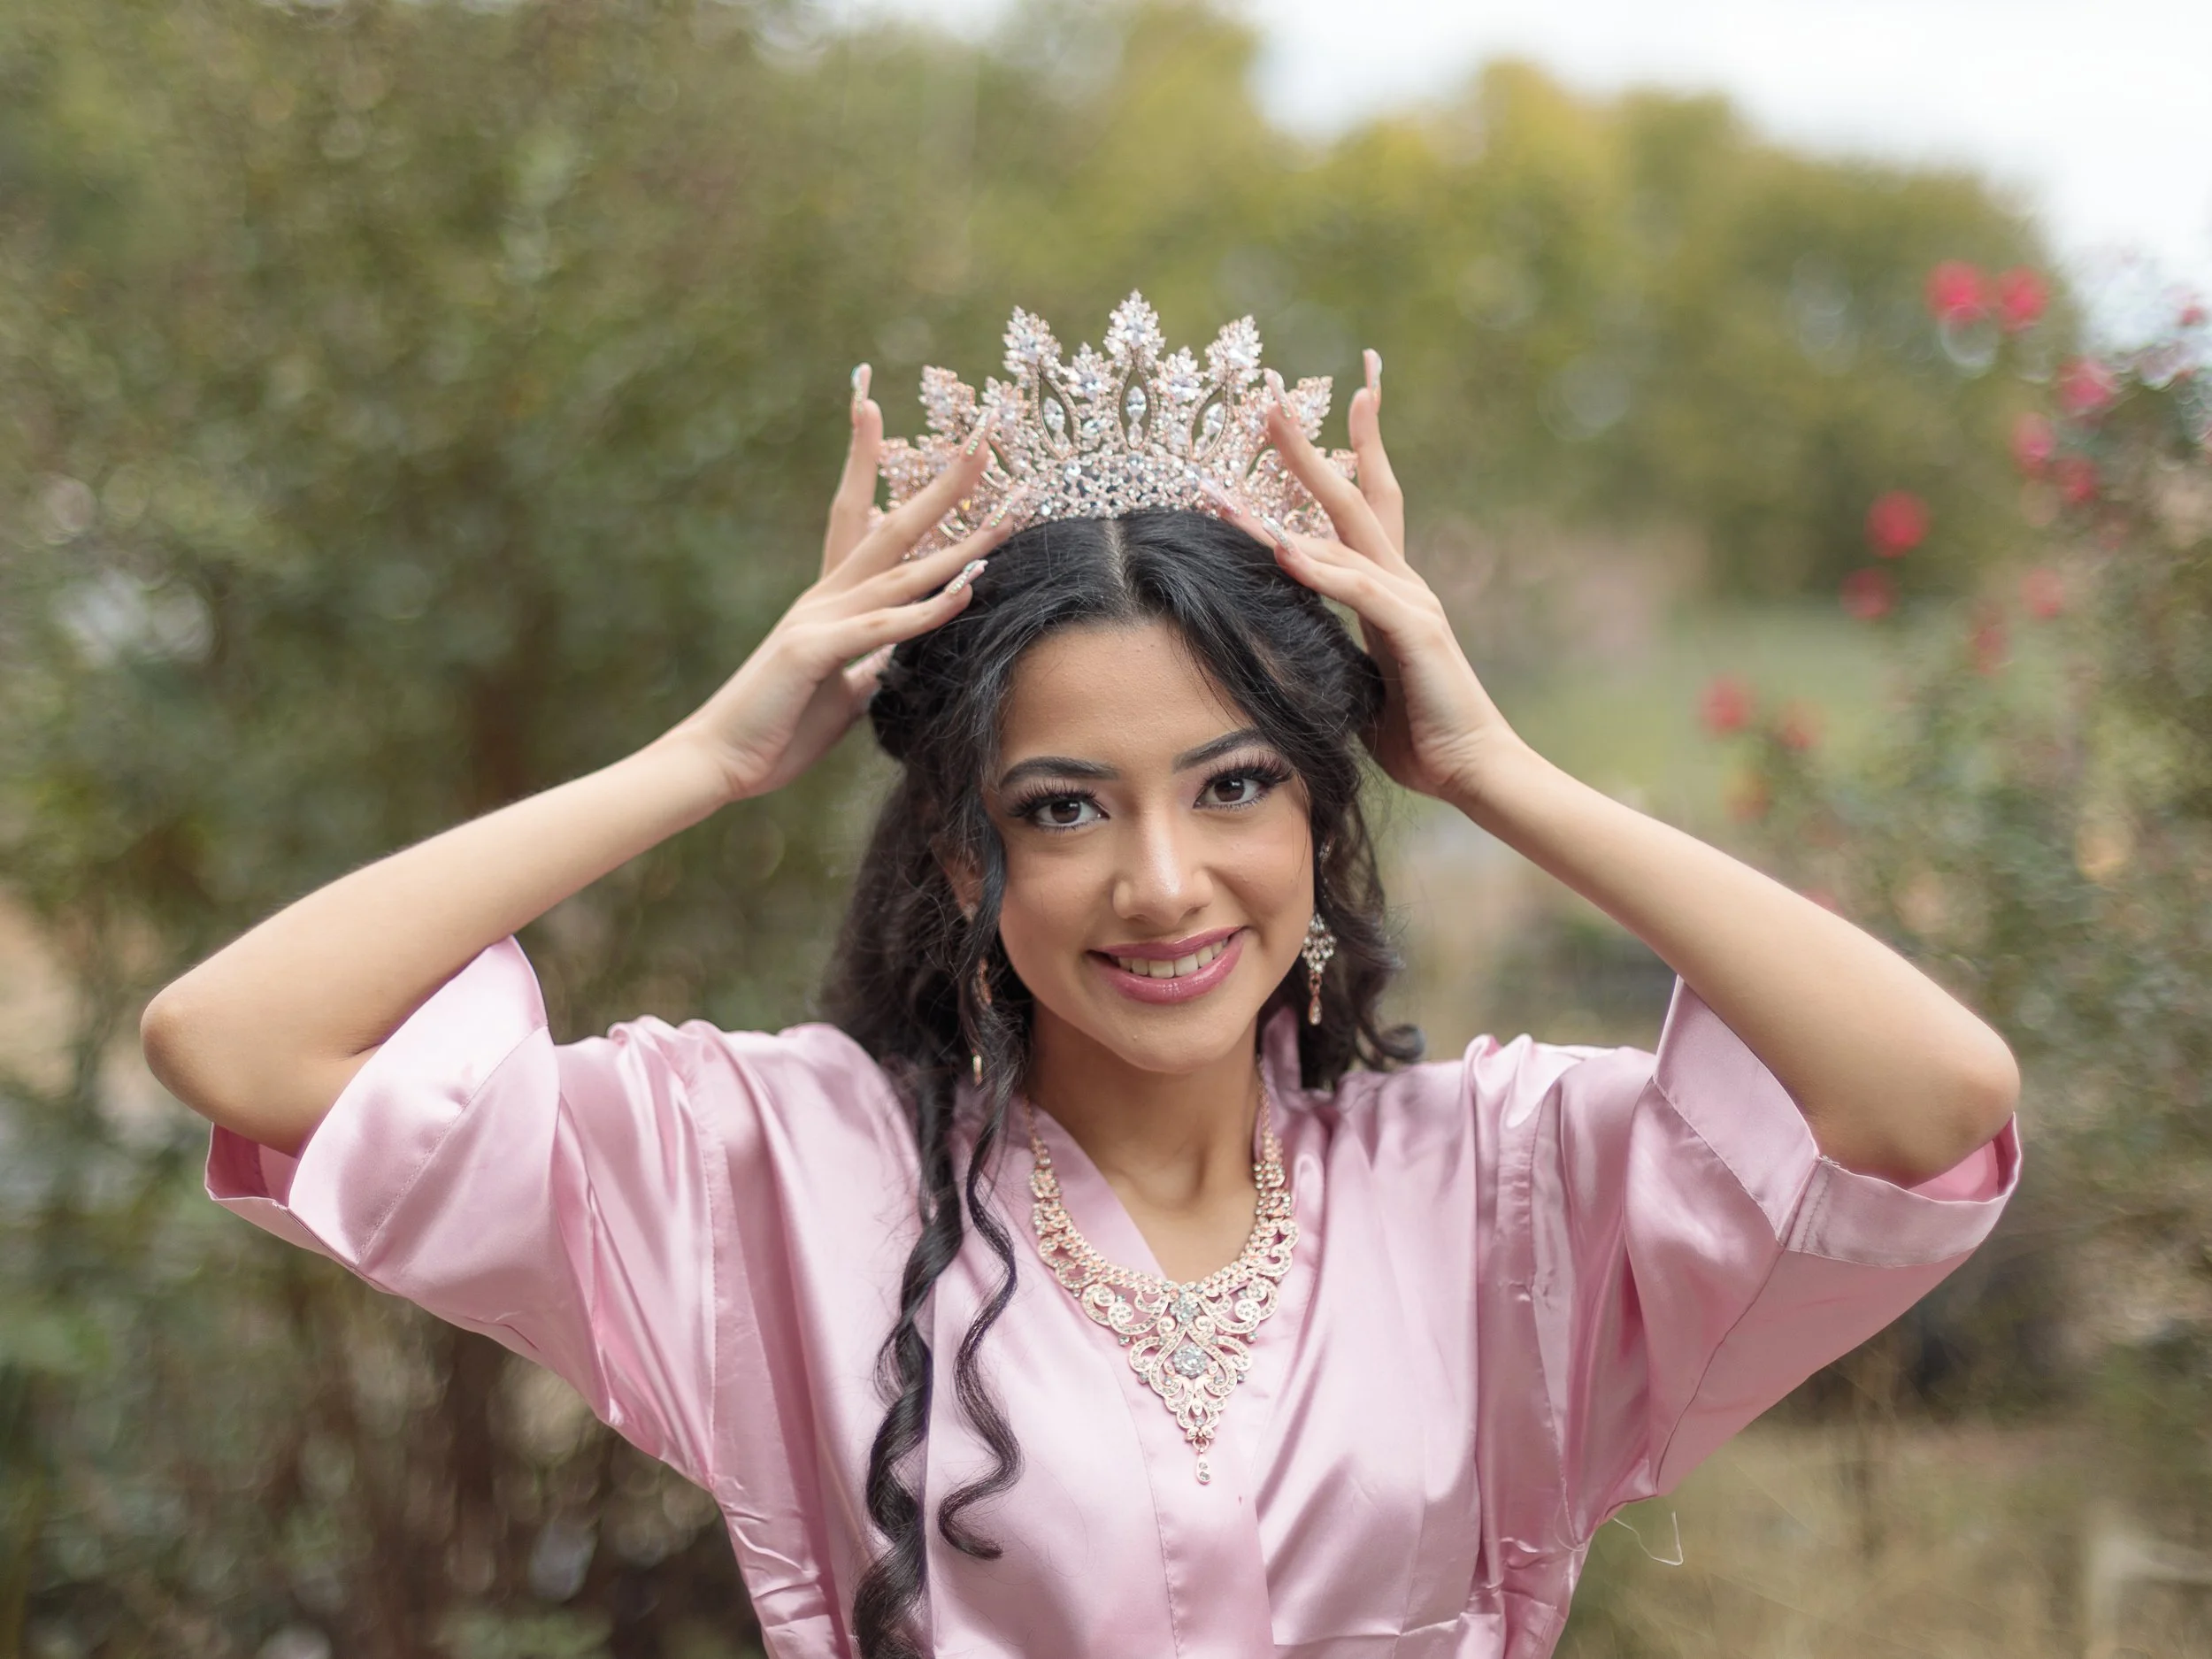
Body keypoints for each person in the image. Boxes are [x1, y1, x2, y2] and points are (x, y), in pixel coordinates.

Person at [142, 296, 2021, 1659]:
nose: (1157, 881)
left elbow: (1926, 1108)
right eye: (1060, 808)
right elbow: (240, 1039)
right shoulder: (784, 1168)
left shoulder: (1500, 1181)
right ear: (964, 851)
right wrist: (700, 762)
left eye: (1232, 786)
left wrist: (1496, 773)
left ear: (1315, 814)